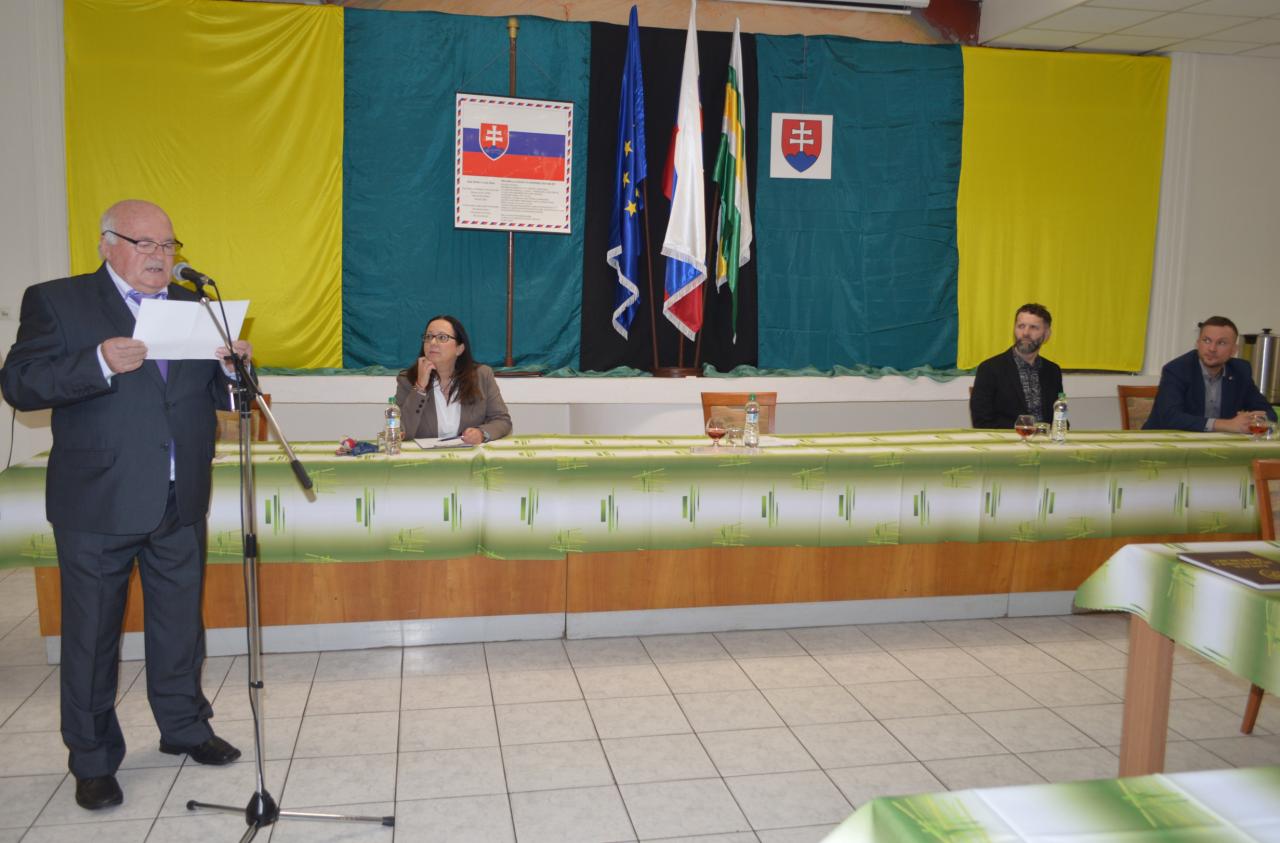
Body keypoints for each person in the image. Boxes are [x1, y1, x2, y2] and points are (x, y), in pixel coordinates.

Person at [0, 200, 250, 810]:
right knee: (91, 637)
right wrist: (96, 363)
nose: (160, 256)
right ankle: (91, 759)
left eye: (168, 245)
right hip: (99, 502)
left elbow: (221, 398)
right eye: (146, 244)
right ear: (108, 243)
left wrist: (234, 370)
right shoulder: (59, 301)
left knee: (179, 626)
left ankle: (184, 727)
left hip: (179, 496)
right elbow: (20, 385)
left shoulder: (195, 307)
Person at [1144, 316, 1276, 433]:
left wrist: (1253, 421)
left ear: (1234, 350)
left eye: (1221, 343)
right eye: (1206, 340)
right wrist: (1227, 425)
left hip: (1218, 444)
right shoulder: (1177, 370)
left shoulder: (1241, 370)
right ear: (1197, 343)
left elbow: (1269, 413)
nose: (1212, 349)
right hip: (1166, 442)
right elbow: (1170, 418)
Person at [395, 315, 512, 444]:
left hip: (469, 455)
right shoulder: (408, 379)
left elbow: (502, 420)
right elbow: (401, 432)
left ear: (459, 349)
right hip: (425, 456)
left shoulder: (481, 376)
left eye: (442, 337)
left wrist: (481, 434)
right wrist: (419, 388)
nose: (432, 343)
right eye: (428, 337)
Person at [970, 303, 1064, 429]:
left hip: (1046, 439)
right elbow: (981, 422)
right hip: (1008, 440)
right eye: (1021, 326)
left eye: (1033, 327)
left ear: (1046, 334)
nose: (1025, 333)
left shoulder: (1053, 371)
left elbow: (1059, 417)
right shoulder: (990, 369)